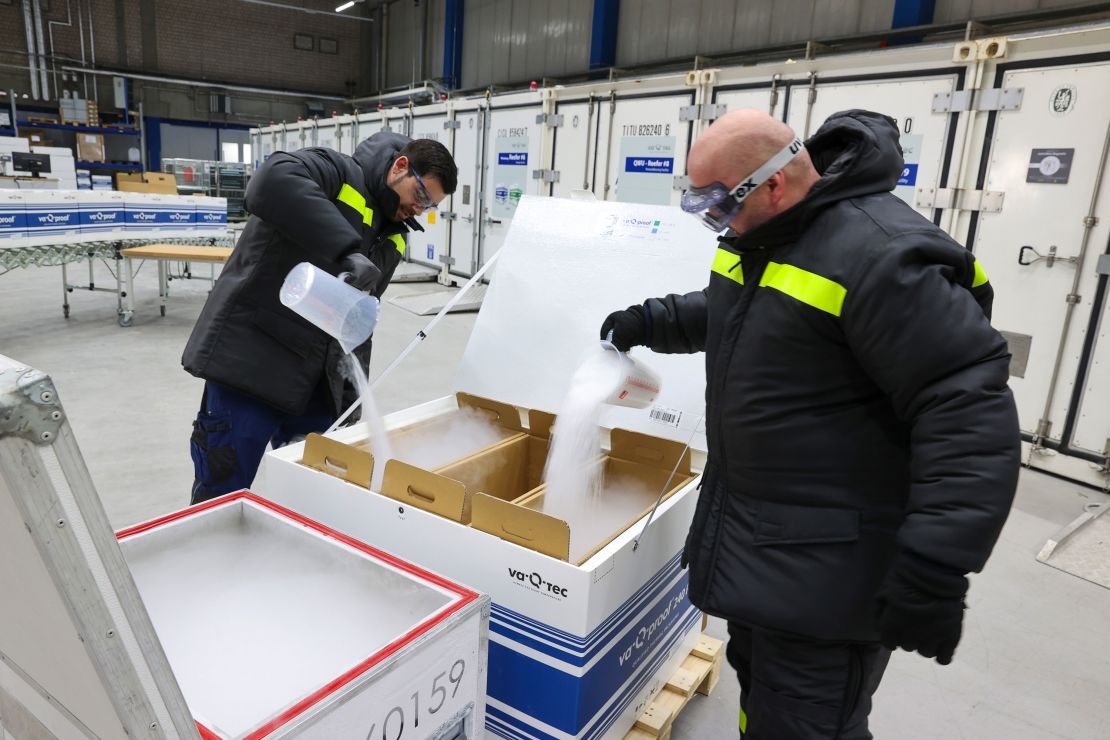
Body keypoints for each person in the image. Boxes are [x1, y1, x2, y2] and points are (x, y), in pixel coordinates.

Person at [600, 109, 1020, 739]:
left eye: (718, 205)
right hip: (763, 550)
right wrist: (655, 321)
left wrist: (937, 560)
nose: (713, 222)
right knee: (764, 704)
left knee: (807, 725)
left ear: (772, 184)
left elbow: (965, 404)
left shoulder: (882, 259)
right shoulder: (767, 235)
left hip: (828, 577)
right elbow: (741, 311)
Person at [183, 132, 457, 505]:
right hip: (251, 368)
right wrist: (346, 249)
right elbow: (270, 182)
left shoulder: (395, 235)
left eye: (430, 207)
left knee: (311, 502)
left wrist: (348, 400)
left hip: (313, 387)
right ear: (400, 166)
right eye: (421, 195)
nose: (419, 209)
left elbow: (357, 317)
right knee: (224, 494)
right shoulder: (338, 173)